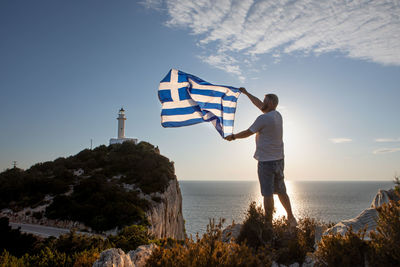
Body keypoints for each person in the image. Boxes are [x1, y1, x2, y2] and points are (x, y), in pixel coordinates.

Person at [225, 87, 297, 227]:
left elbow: (248, 132)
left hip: (266, 162)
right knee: (281, 191)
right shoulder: (277, 115)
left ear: (270, 103)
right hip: (279, 160)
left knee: (267, 193)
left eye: (265, 101)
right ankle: (291, 218)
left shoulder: (263, 119)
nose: (262, 103)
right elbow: (259, 104)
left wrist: (233, 137)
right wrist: (246, 93)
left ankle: (268, 223)